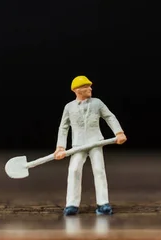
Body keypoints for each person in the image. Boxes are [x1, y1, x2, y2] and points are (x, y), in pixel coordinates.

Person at [54, 75, 127, 216]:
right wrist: (60, 147)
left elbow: (109, 116)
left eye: (89, 86)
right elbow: (63, 127)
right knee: (74, 170)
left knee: (99, 170)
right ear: (77, 90)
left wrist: (119, 132)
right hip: (78, 144)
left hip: (96, 141)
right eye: (86, 87)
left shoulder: (97, 103)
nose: (90, 88)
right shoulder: (69, 107)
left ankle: (103, 203)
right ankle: (71, 204)